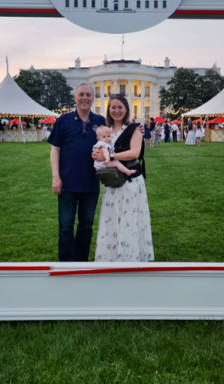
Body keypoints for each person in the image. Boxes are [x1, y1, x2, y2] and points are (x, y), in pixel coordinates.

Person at [48, 83, 106, 262]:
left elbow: (117, 132)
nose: (85, 98)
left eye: (88, 95)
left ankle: (81, 262)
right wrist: (56, 177)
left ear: (93, 98)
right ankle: (66, 263)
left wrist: (138, 129)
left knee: (86, 226)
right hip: (67, 183)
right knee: (66, 226)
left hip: (91, 184)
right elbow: (55, 149)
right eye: (81, 94)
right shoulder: (64, 120)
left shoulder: (100, 121)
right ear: (75, 98)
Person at [94, 95, 154, 262]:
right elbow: (98, 150)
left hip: (130, 180)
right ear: (109, 110)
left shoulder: (135, 128)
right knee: (112, 218)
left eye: (120, 107)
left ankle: (131, 256)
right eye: (113, 107)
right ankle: (111, 256)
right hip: (112, 181)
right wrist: (96, 154)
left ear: (126, 109)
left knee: (130, 218)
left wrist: (110, 156)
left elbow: (134, 153)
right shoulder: (105, 131)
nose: (116, 110)